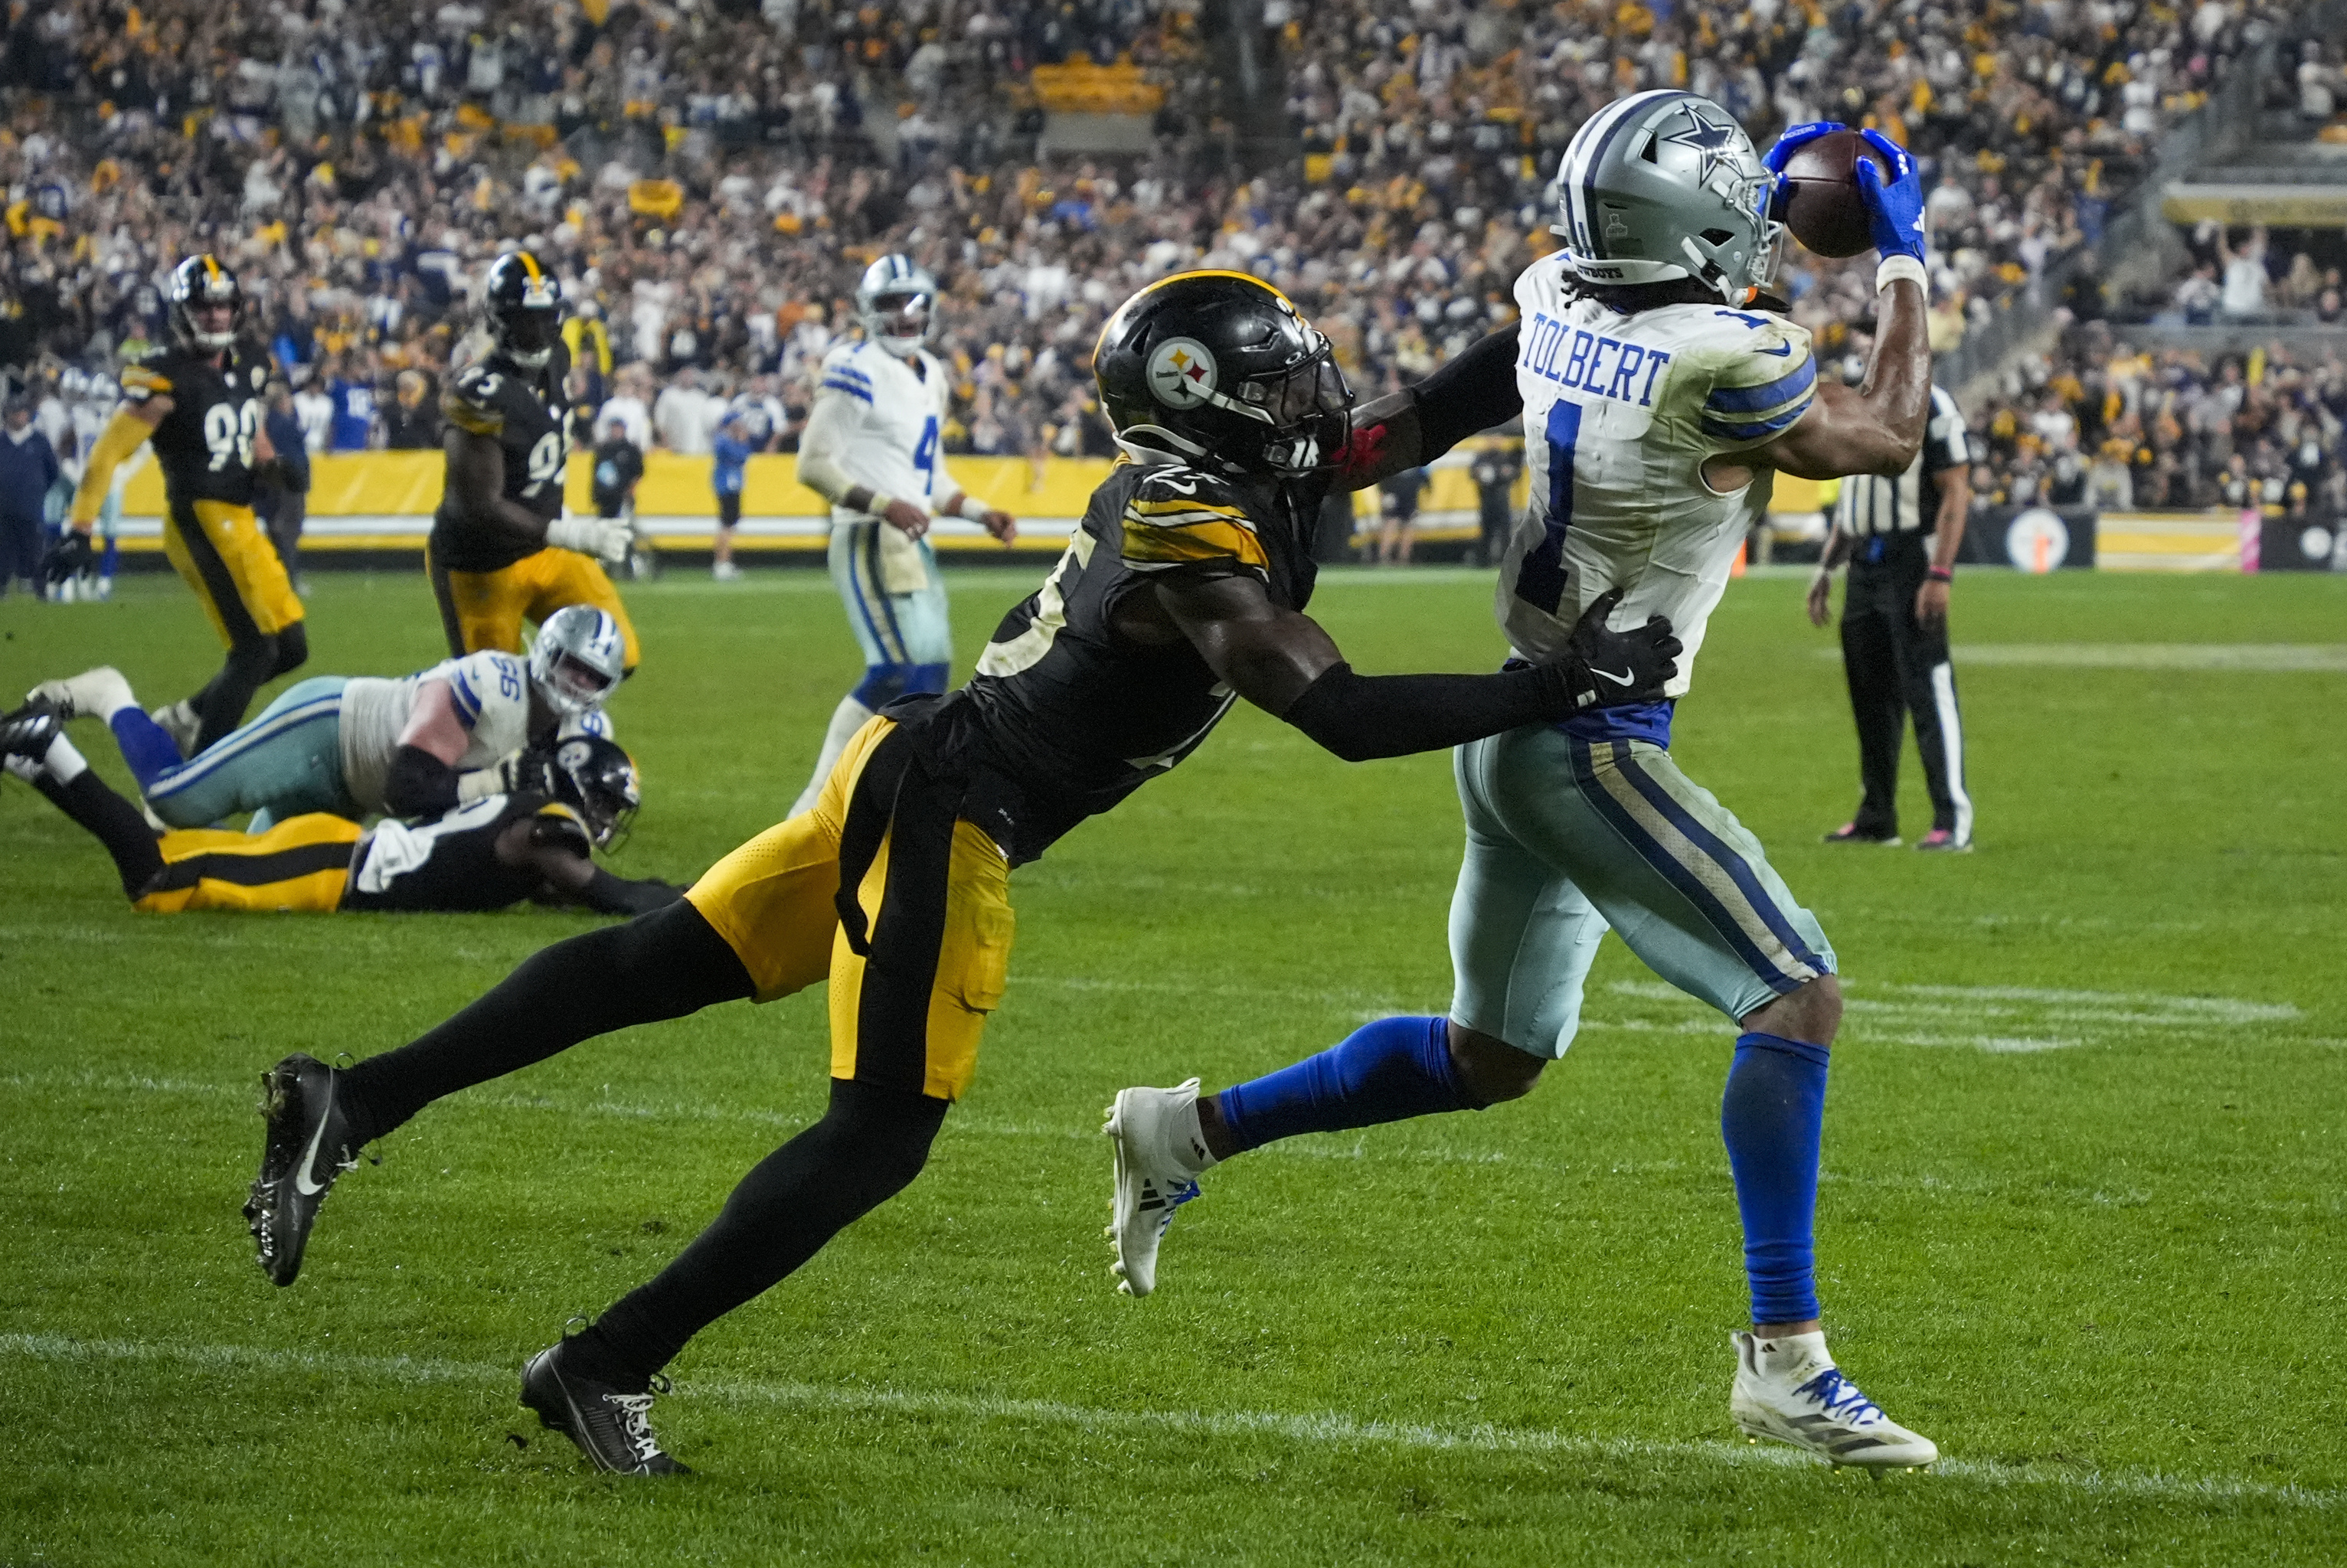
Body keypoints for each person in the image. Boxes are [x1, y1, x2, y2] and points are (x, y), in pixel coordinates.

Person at [237, 271, 1682, 1478]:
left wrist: (1582, 306)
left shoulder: (1245, 466)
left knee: (653, 962)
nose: (1324, 394)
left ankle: (352, 1097)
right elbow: (1345, 716)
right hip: (954, 807)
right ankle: (600, 1362)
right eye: (1289, 376)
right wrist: (1553, 686)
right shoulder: (1192, 524)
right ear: (1219, 404)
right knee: (873, 1136)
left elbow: (1433, 404)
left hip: (908, 761)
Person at [1104, 99, 1944, 1473]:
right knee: (1797, 993)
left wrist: (1340, 458)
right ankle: (1784, 1362)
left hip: (1511, 730)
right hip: (1591, 737)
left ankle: (1184, 1128)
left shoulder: (1560, 289)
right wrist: (1902, 256)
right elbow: (1888, 432)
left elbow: (1447, 401)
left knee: (1488, 1055)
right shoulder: (1725, 356)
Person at [0, 707, 675, 920]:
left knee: (168, 858)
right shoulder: (545, 828)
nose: (606, 822)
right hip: (333, 866)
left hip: (339, 853)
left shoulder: (534, 817)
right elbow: (611, 896)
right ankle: (50, 745)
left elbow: (566, 894)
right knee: (157, 881)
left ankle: (35, 764)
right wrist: (700, 900)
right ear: (574, 783)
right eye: (605, 804)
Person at [24, 603, 626, 830]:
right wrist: (498, 782)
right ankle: (108, 693)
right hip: (329, 732)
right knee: (176, 801)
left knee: (255, 881)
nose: (580, 687)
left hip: (356, 797)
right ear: (546, 654)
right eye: (573, 668)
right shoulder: (489, 684)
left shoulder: (584, 734)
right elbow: (409, 783)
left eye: (594, 679)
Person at [786, 255, 1018, 817]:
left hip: (911, 541)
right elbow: (813, 464)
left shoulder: (930, 372)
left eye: (913, 302)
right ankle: (814, 809)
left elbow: (928, 478)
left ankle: (886, 799)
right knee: (894, 670)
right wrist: (881, 504)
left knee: (930, 676)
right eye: (891, 303)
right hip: (868, 533)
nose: (905, 315)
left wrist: (980, 511)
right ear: (868, 310)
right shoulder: (853, 365)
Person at [55, 256, 306, 756]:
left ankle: (185, 718)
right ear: (182, 309)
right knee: (255, 650)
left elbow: (250, 436)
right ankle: (204, 775)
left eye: (222, 305)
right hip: (199, 516)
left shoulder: (249, 363)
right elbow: (108, 452)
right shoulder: (163, 377)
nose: (214, 316)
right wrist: (81, 527)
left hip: (239, 517)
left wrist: (275, 467)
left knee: (291, 649)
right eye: (203, 305)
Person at [428, 252, 642, 675]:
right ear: (500, 321)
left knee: (616, 654)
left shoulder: (557, 358)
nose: (542, 332)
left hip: (544, 547)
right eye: (529, 320)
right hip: (484, 564)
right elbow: (478, 508)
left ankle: (550, 721)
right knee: (488, 700)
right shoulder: (480, 393)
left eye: (549, 318)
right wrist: (568, 530)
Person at [1807, 384, 1973, 851]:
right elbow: (1853, 495)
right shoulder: (1859, 397)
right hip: (1864, 560)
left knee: (1927, 687)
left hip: (1911, 560)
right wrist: (1827, 566)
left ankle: (1951, 816)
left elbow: (1955, 490)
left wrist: (1939, 572)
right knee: (1869, 694)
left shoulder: (1932, 403)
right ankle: (1877, 816)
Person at [0, 397, 59, 598]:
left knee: (34, 549)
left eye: (22, 412)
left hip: (31, 506)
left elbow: (52, 471)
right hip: (4, 507)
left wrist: (37, 490)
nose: (19, 416)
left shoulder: (38, 441)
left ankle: (39, 590)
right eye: (15, 412)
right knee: (4, 550)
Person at [256, 379, 311, 595]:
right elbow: (291, 459)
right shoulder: (282, 424)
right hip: (287, 487)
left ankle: (282, 579)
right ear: (282, 401)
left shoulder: (271, 422)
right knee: (286, 533)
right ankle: (289, 581)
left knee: (281, 532)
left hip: (278, 486)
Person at [1468, 438, 1522, 567]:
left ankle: (1506, 561)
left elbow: (1516, 473)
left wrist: (1509, 473)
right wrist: (1480, 473)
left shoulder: (1506, 457)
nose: (1494, 442)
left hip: (1502, 498)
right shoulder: (1481, 457)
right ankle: (1483, 561)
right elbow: (1472, 472)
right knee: (1486, 531)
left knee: (1505, 531)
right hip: (1487, 498)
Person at [711, 411, 751, 581]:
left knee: (729, 525)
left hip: (733, 485)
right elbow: (739, 456)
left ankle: (724, 561)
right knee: (726, 525)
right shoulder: (724, 441)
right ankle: (722, 562)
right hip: (726, 485)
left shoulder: (729, 440)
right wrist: (741, 441)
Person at [1375, 462, 1427, 564]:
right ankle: (1387, 555)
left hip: (1407, 492)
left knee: (1405, 525)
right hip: (1399, 491)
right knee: (1393, 523)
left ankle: (1401, 557)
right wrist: (1385, 492)